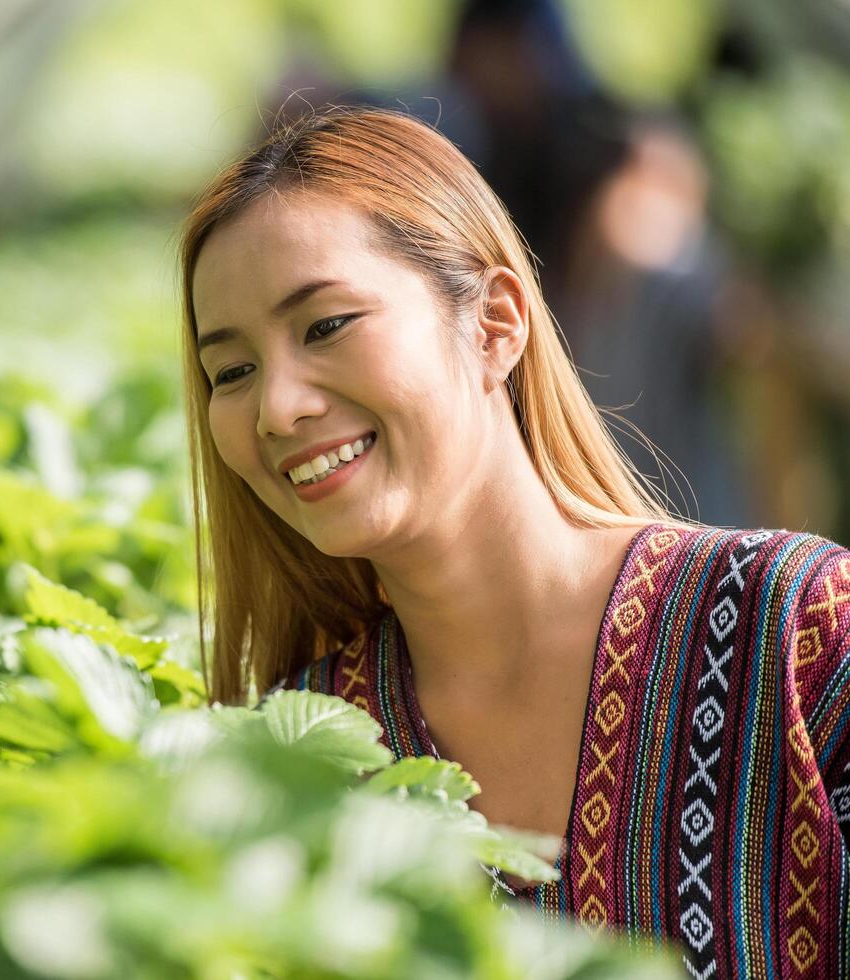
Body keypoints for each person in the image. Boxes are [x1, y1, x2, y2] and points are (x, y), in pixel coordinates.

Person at [177, 104, 850, 977]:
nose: (276, 408)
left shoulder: (798, 630)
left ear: (495, 324)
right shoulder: (295, 753)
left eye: (326, 325)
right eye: (231, 371)